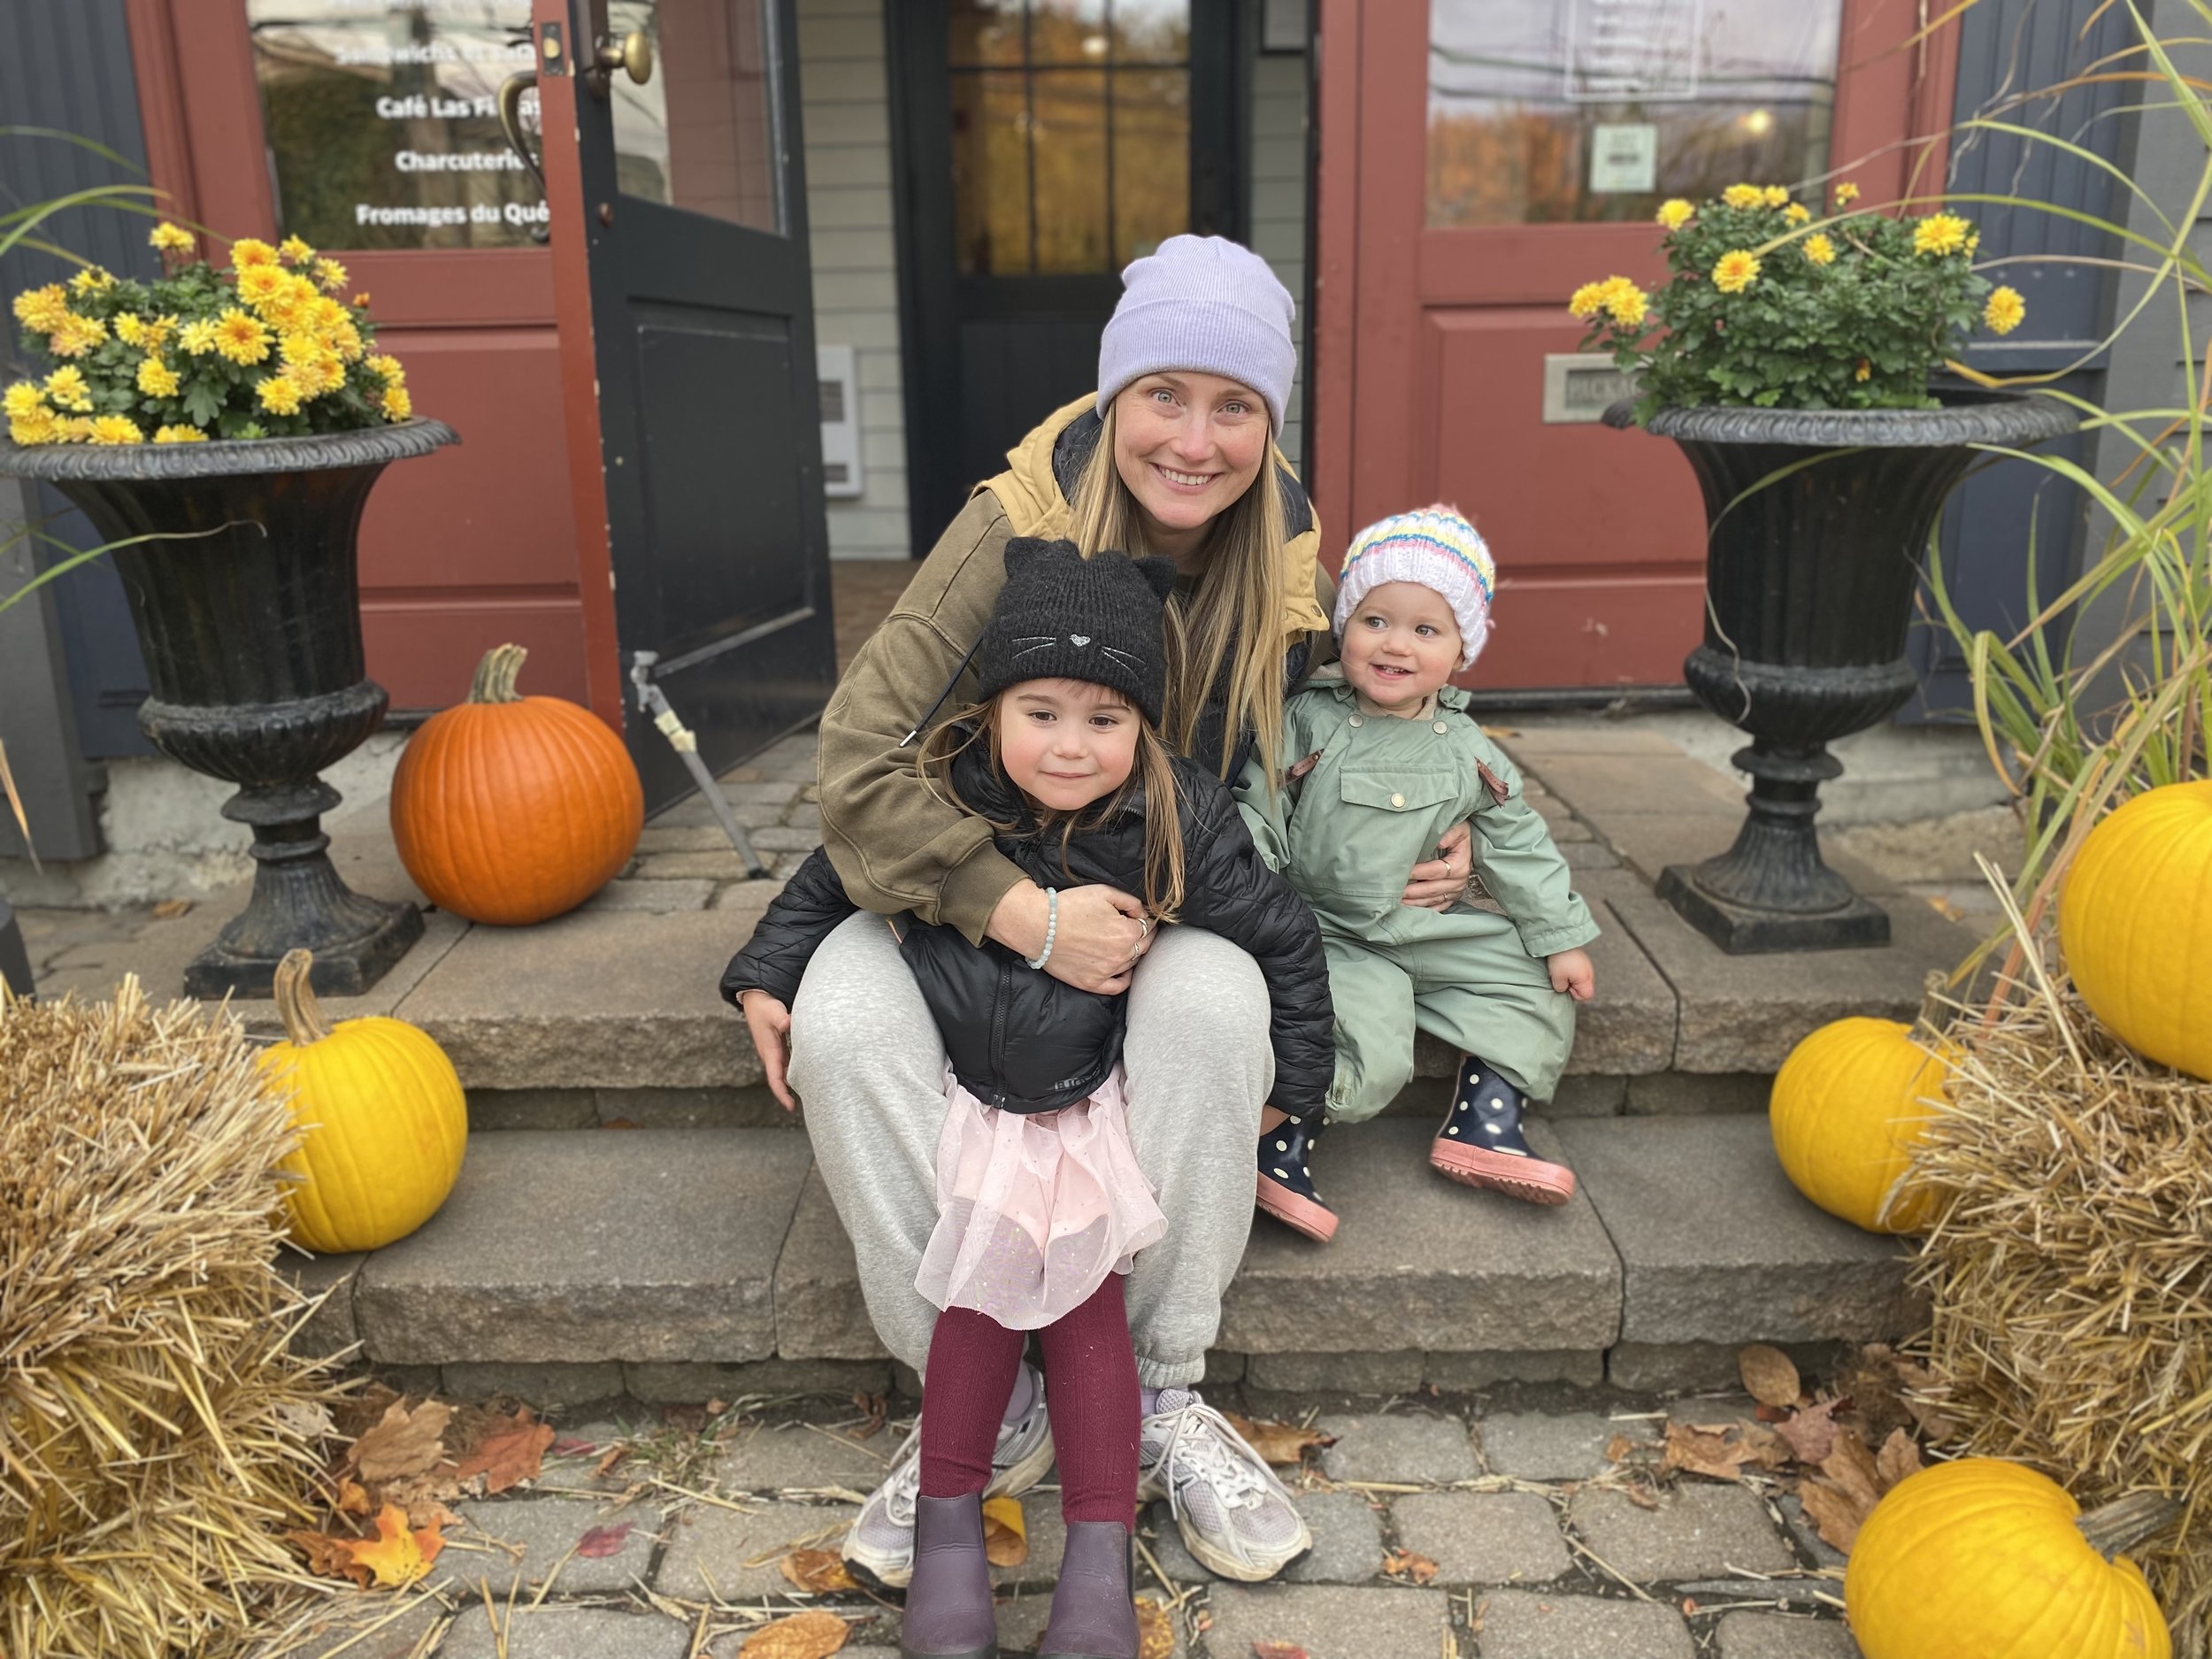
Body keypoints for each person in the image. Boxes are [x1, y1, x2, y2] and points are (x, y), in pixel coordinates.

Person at [736, 234, 1476, 1588]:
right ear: (1113, 394)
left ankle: (1158, 1390)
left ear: (1270, 420)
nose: (1196, 441)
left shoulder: (1288, 550)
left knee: (1215, 996)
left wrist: (1447, 816)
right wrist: (1005, 912)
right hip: (975, 871)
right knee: (842, 1014)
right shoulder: (1011, 520)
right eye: (1164, 395)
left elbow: (1370, 714)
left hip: (1165, 878)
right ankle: (974, 1394)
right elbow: (856, 766)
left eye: (1235, 405)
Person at [723, 539, 1331, 1659]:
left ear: (1144, 725)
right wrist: (765, 973)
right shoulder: (947, 790)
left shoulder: (1176, 816)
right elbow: (832, 874)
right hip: (967, 1093)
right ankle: (962, 1502)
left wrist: (1293, 1085)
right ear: (992, 708)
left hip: (1087, 1101)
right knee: (975, 1285)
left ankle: (1104, 1543)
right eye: (1039, 712)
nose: (1069, 745)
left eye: (1104, 719)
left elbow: (1283, 939)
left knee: (1090, 1300)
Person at [1236, 505, 1600, 1244]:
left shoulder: (1467, 746)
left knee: (1536, 980)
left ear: (1463, 650)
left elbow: (1518, 841)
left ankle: (1486, 1120)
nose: (1395, 643)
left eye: (1426, 630)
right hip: (1330, 932)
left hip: (1424, 927)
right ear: (1343, 627)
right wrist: (1261, 916)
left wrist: (1559, 935)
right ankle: (1279, 1144)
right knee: (1372, 1051)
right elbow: (1258, 811)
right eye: (1375, 620)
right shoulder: (1306, 720)